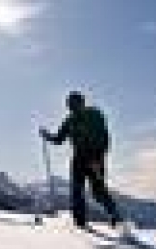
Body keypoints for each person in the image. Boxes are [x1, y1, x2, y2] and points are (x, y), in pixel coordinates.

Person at [40, 91, 122, 229]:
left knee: (97, 191)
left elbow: (104, 137)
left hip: (95, 156)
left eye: (74, 104)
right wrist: (47, 136)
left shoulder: (94, 114)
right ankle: (80, 222)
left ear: (81, 103)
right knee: (77, 189)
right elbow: (59, 139)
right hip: (79, 157)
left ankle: (115, 216)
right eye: (70, 105)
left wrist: (99, 157)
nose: (72, 107)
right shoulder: (69, 120)